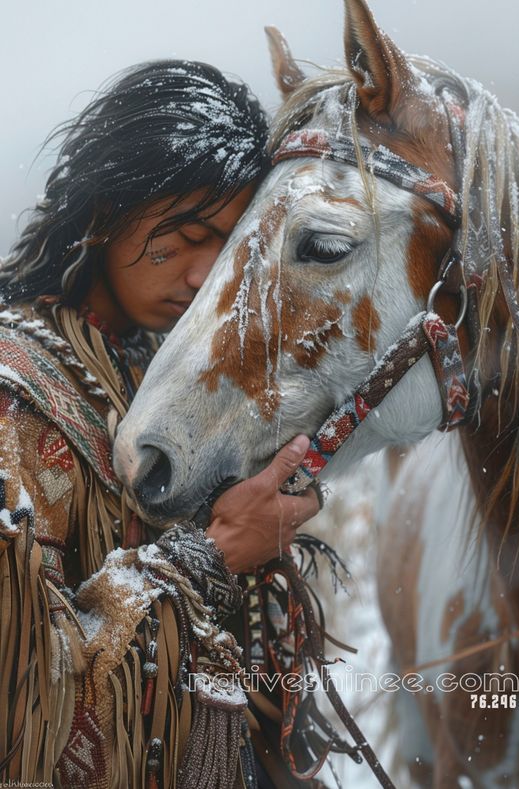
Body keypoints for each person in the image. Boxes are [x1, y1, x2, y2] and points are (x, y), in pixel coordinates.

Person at [0, 60, 321, 788]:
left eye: (231, 241)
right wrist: (214, 555)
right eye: (187, 231)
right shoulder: (13, 395)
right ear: (105, 210)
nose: (208, 273)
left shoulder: (178, 381)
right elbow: (22, 711)